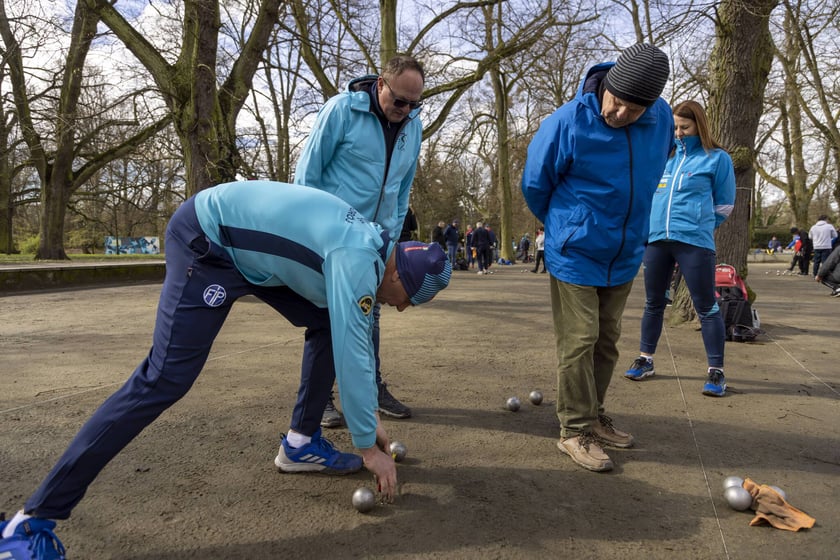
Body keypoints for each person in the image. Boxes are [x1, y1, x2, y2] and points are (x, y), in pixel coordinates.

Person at [0, 181, 451, 559]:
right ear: (399, 276)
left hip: (250, 255)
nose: (402, 308)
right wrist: (366, 446)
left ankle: (299, 445)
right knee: (163, 379)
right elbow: (354, 352)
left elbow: (351, 335)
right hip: (208, 241)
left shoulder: (374, 246)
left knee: (327, 322)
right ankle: (30, 522)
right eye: (410, 300)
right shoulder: (356, 260)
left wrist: (368, 422)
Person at [521, 43, 673, 472]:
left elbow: (655, 170)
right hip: (575, 250)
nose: (620, 114)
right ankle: (573, 430)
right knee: (580, 338)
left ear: (650, 106)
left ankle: (594, 415)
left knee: (607, 340)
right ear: (607, 86)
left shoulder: (662, 119)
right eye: (616, 102)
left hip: (625, 251)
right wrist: (568, 225)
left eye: (634, 110)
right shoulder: (567, 121)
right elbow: (535, 184)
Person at [294, 54, 425, 423]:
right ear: (381, 84)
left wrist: (389, 241)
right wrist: (309, 234)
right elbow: (307, 176)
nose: (406, 110)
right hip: (330, 238)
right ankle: (320, 399)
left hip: (374, 241)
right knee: (326, 318)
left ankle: (372, 389)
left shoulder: (413, 126)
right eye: (400, 101)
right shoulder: (340, 111)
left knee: (371, 316)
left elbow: (402, 190)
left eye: (414, 104)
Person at [623, 100, 736, 398]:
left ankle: (716, 371)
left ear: (699, 126)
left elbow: (725, 205)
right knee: (653, 303)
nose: (678, 133)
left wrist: (699, 224)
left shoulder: (717, 158)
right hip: (657, 241)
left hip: (694, 242)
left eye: (684, 127)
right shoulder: (665, 159)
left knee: (706, 307)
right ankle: (645, 360)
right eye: (674, 128)